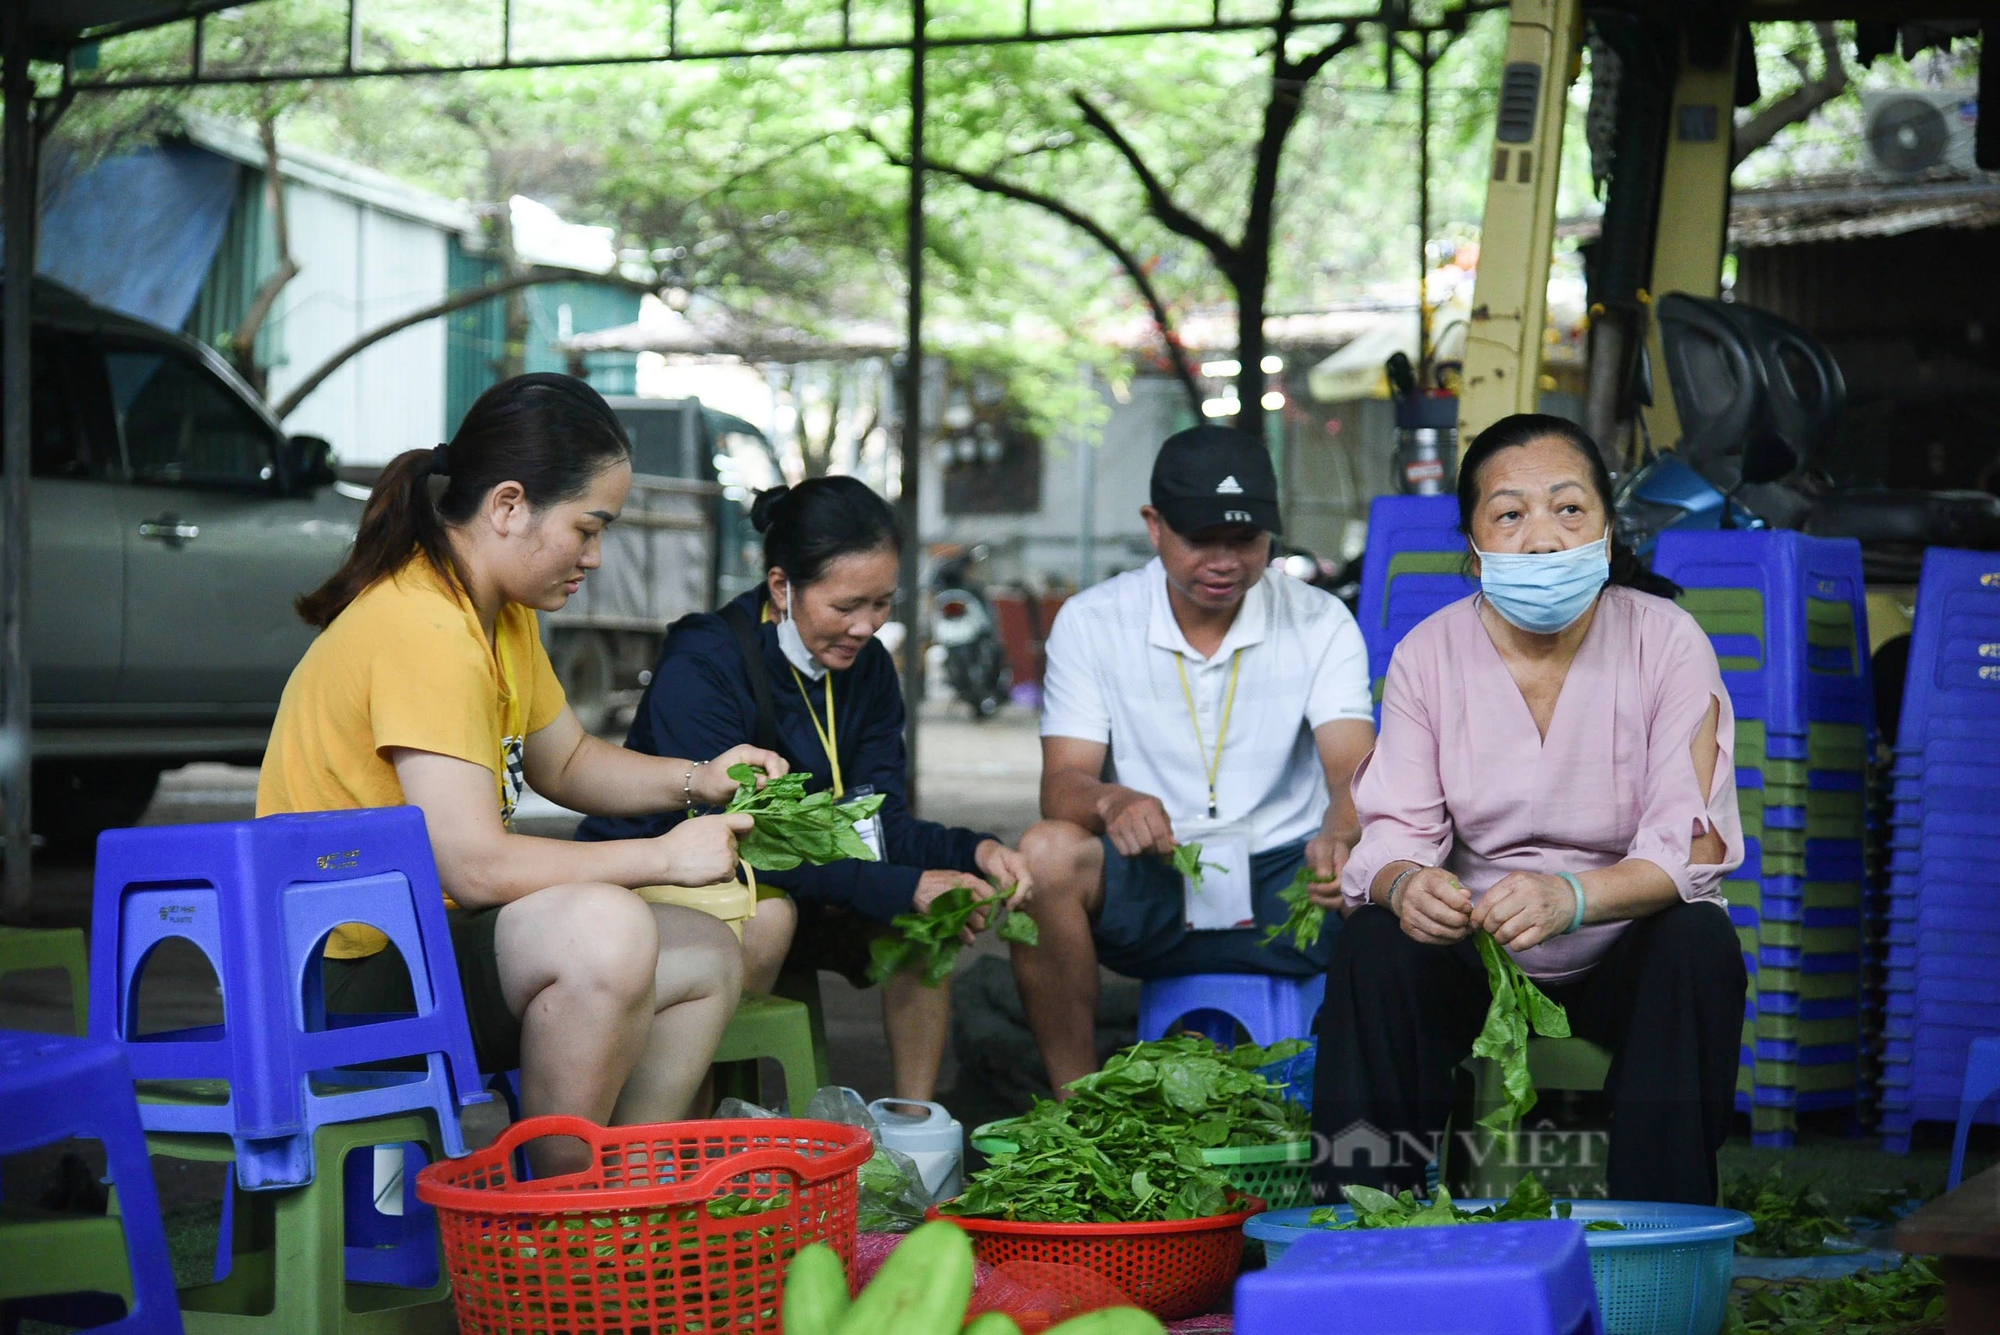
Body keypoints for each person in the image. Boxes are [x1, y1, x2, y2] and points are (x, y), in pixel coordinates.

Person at [259, 374, 786, 1175]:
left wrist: (701, 777)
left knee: (705, 955)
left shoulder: (497, 616)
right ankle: (555, 1222)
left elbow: (567, 760)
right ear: (508, 506)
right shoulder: (424, 625)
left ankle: (620, 1206)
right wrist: (663, 857)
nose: (596, 556)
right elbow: (474, 867)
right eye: (587, 527)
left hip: (422, 948)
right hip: (334, 976)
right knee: (605, 930)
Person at [1312, 413, 1748, 1207]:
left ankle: (1659, 1223)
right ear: (1475, 551)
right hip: (1480, 957)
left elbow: (1689, 846)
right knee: (1375, 943)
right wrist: (1409, 885)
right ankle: (1363, 1218)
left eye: (1569, 508)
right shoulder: (1429, 655)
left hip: (1621, 956)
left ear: (1608, 533)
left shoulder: (1668, 642)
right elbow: (1392, 835)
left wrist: (1574, 897)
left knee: (1700, 939)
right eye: (1510, 513)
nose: (1543, 539)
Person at [577, 476, 1033, 1101]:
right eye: (846, 606)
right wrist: (905, 882)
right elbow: (752, 839)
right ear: (781, 586)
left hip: (798, 875)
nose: (867, 626)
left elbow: (880, 823)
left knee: (933, 918)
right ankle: (691, 1115)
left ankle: (912, 1127)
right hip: (677, 878)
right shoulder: (708, 660)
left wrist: (970, 853)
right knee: (767, 914)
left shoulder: (866, 670)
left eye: (882, 604)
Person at [1016, 425, 1378, 1093]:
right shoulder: (1094, 620)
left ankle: (1365, 1115)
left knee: (1393, 862)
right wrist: (1111, 800)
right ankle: (1078, 1110)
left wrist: (1342, 831)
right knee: (1041, 856)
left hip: (1290, 879)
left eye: (1244, 541)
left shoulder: (1320, 619)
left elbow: (1354, 769)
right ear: (1155, 526)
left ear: (1272, 532)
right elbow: (1061, 786)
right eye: (1200, 539)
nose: (1224, 560)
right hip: (1158, 872)